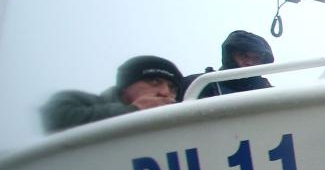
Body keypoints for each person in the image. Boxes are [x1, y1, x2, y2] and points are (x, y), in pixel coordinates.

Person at [40, 55, 182, 133]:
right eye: (154, 82)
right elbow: (56, 117)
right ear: (125, 87)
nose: (165, 92)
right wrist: (133, 110)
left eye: (172, 88)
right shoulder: (84, 102)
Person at [184, 29, 275, 100]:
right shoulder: (197, 86)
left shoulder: (272, 94)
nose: (250, 62)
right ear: (230, 56)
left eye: (256, 58)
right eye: (243, 56)